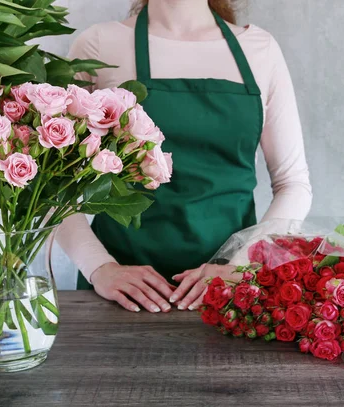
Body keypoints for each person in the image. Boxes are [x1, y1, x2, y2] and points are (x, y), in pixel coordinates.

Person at [57, 0, 312, 314]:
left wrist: (241, 265)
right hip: (123, 297)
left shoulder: (260, 50)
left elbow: (293, 184)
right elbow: (53, 185)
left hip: (229, 294)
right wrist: (100, 268)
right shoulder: (99, 45)